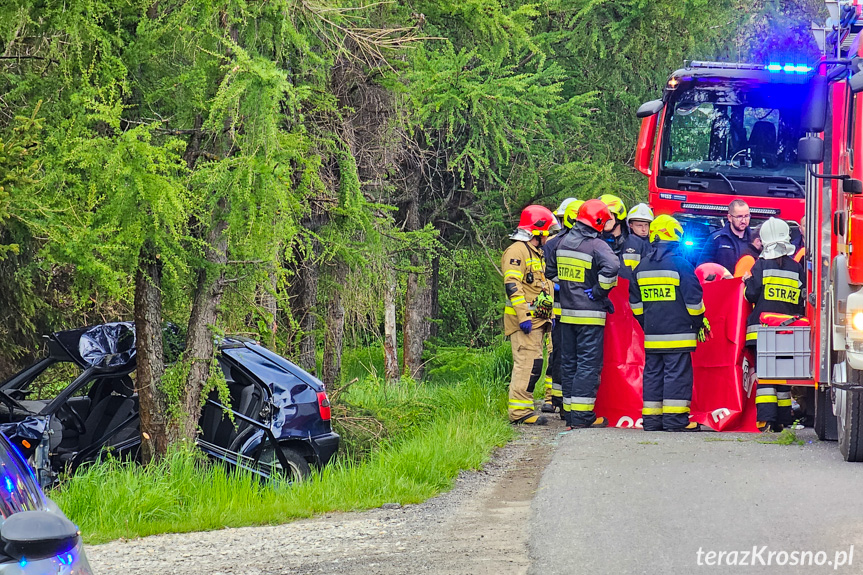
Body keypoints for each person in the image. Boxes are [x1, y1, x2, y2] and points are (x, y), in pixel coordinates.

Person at [630, 215, 708, 432]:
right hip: (679, 334)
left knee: (653, 374)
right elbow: (694, 302)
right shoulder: (681, 265)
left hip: (653, 335)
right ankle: (675, 421)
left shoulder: (642, 267)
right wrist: (699, 322)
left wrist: (648, 324)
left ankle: (653, 421)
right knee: (677, 376)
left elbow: (635, 305)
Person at [546, 199, 619, 430]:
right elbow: (613, 267)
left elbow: (551, 272)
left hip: (566, 315)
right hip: (589, 316)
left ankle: (569, 414)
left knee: (569, 363)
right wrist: (599, 290)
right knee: (588, 365)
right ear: (597, 221)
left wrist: (569, 287)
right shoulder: (596, 245)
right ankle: (582, 417)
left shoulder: (562, 242)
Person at [743, 217, 806, 432]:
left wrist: (746, 282)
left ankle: (766, 421)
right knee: (783, 376)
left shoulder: (761, 265)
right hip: (789, 331)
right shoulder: (797, 268)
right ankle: (783, 420)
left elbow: (751, 294)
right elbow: (801, 301)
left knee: (766, 376)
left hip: (762, 330)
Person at [502, 205, 560, 425]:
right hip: (524, 322)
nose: (548, 236)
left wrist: (549, 314)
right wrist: (524, 317)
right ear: (536, 230)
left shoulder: (535, 252)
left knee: (534, 364)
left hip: (538, 321)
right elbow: (512, 285)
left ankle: (524, 409)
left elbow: (538, 286)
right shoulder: (517, 251)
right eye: (546, 232)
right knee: (526, 364)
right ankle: (519, 413)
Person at [541, 199, 583, 415]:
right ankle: (553, 397)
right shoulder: (552, 244)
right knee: (557, 353)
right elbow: (546, 275)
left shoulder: (563, 243)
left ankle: (562, 397)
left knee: (566, 354)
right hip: (557, 308)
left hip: (571, 307)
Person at [698, 199, 753, 271]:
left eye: (746, 216)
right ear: (730, 217)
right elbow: (703, 268)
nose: (743, 221)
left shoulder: (755, 240)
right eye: (739, 217)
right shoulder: (716, 238)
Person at [621, 203, 654, 276]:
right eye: (639, 225)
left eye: (646, 225)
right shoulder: (629, 242)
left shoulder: (652, 242)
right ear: (630, 225)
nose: (644, 229)